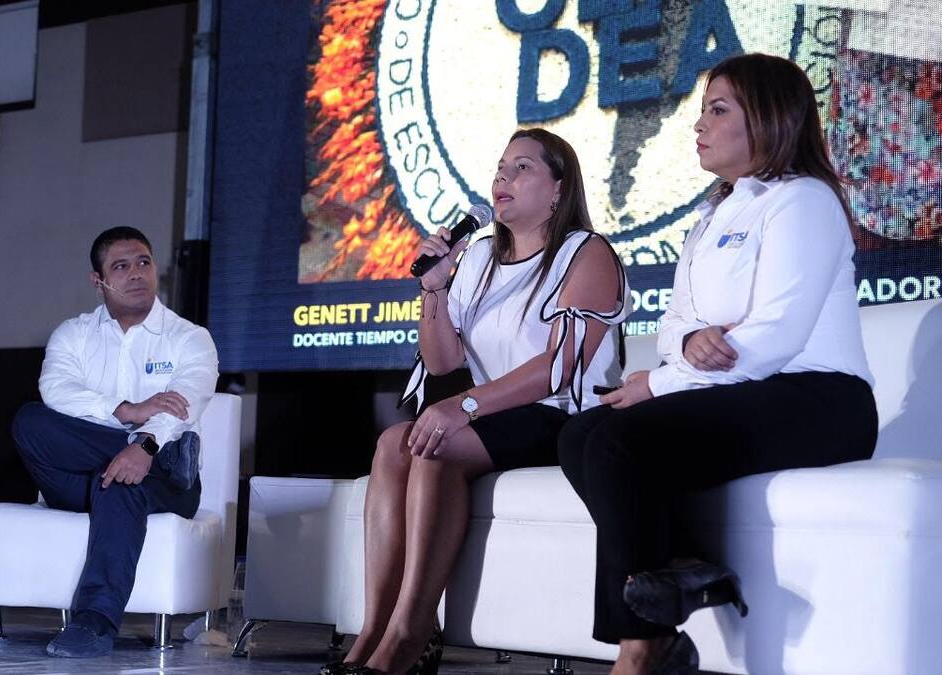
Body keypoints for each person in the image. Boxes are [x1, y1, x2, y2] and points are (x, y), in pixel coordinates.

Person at [557, 53, 878, 675]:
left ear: (768, 118)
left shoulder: (804, 200)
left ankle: (642, 646)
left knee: (619, 439)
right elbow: (673, 325)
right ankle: (687, 570)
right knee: (579, 434)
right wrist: (691, 342)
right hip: (742, 393)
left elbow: (775, 336)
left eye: (718, 109)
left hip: (822, 402)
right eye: (703, 109)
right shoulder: (711, 215)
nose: (698, 124)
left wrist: (662, 382)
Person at [326, 128, 631, 675]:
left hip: (567, 417)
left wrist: (463, 406)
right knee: (394, 442)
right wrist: (435, 288)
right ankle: (374, 629)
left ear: (559, 189)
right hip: (496, 415)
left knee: (436, 442)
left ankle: (409, 634)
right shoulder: (481, 255)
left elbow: (560, 368)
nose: (502, 179)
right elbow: (443, 362)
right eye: (500, 168)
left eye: (522, 168)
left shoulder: (586, 253)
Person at [12, 226, 219, 658]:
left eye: (143, 262)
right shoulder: (73, 334)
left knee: (122, 484)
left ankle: (94, 623)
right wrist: (128, 412)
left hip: (164, 483)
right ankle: (158, 455)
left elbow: (185, 403)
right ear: (99, 280)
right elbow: (56, 391)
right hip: (78, 476)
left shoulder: (189, 337)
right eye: (121, 266)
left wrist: (145, 446)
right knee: (30, 421)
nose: (136, 273)